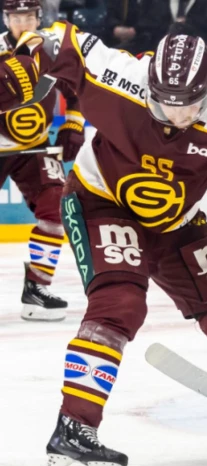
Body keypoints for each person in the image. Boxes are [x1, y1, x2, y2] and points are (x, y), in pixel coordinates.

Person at [0, 22, 207, 466]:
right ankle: (73, 435)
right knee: (120, 302)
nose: (176, 111)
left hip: (175, 219)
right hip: (98, 200)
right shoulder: (117, 74)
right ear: (149, 82)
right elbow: (50, 40)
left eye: (189, 102)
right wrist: (21, 66)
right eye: (165, 99)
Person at [0, 0, 83, 321]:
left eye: (28, 16)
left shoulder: (52, 50)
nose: (23, 22)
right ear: (7, 18)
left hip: (34, 148)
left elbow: (75, 90)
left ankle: (37, 290)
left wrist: (74, 125)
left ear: (38, 17)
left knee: (55, 208)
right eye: (16, 16)